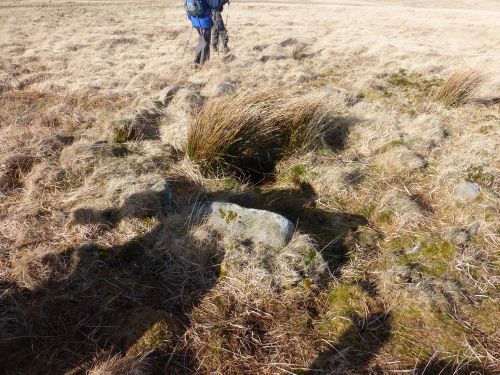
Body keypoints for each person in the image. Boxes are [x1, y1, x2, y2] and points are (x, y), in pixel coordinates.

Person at [186, 0, 227, 66]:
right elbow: (215, 4)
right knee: (205, 43)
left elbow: (187, 8)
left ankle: (197, 60)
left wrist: (192, 19)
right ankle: (203, 63)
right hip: (204, 22)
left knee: (202, 40)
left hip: (195, 22)